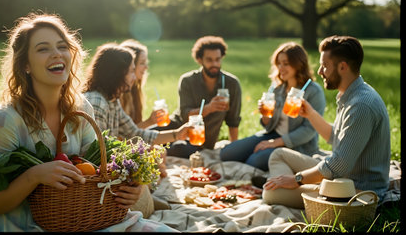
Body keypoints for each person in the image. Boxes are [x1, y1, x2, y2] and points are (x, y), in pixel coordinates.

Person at [0, 12, 178, 232]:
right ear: (25, 64)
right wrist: (35, 176)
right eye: (43, 48)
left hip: (82, 218)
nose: (57, 54)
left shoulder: (81, 108)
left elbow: (94, 171)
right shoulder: (6, 121)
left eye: (62, 46)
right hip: (26, 224)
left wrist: (129, 186)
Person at [261, 35, 391, 209]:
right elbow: (335, 137)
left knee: (270, 193)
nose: (320, 71)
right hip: (341, 178)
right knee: (278, 154)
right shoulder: (351, 95)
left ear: (342, 67)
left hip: (355, 191)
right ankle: (288, 185)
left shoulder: (360, 105)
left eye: (324, 66)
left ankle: (289, 187)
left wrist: (296, 179)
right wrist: (311, 114)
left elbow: (338, 165)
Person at [82, 43, 192, 217]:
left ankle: (146, 201)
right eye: (131, 71)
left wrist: (177, 134)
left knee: (148, 166)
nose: (135, 76)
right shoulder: (96, 102)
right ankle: (142, 203)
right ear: (117, 73)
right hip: (93, 179)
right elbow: (95, 153)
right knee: (142, 178)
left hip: (107, 169)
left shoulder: (111, 99)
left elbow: (136, 134)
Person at [220, 42, 326, 172]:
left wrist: (274, 143)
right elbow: (268, 126)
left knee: (254, 161)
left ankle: (258, 157)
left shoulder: (313, 91)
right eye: (279, 63)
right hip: (273, 135)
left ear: (298, 64)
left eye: (285, 63)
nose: (280, 68)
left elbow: (309, 130)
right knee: (226, 153)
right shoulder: (277, 88)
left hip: (298, 145)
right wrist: (265, 116)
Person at [160, 36, 242, 159]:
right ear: (199, 59)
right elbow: (184, 115)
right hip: (176, 127)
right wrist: (209, 108)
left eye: (217, 59)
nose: (214, 64)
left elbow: (233, 121)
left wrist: (234, 151)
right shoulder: (187, 81)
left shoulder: (232, 84)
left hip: (199, 141)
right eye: (209, 60)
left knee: (179, 148)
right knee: (145, 136)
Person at [119, 39, 161, 129]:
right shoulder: (119, 95)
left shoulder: (136, 89)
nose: (146, 67)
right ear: (130, 65)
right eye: (142, 63)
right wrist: (149, 122)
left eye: (146, 63)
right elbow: (124, 134)